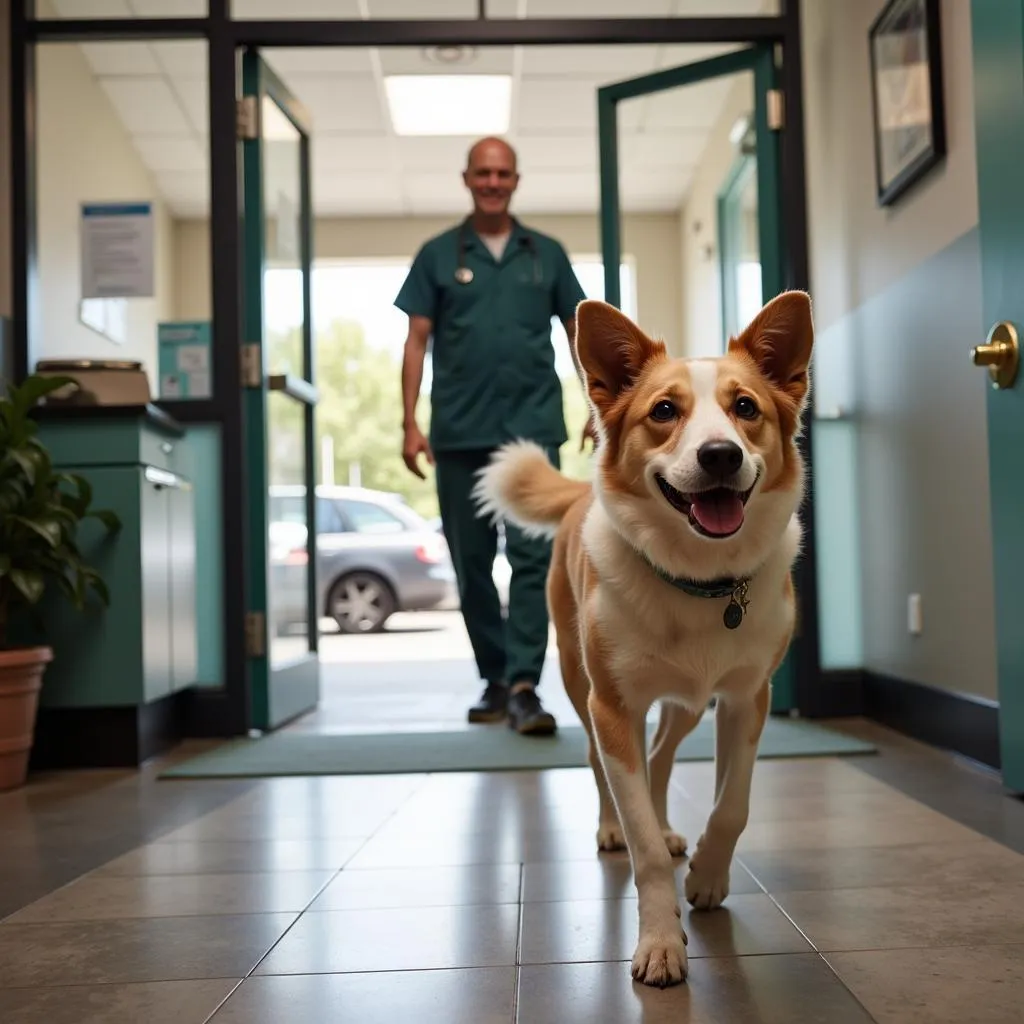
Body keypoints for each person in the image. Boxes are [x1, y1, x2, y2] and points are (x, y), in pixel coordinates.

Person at [395, 136, 593, 736]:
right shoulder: (437, 254)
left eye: (502, 172)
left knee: (536, 560)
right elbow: (416, 341)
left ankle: (527, 686)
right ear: (467, 179)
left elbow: (578, 333)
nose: (492, 181)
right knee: (471, 562)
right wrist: (409, 422)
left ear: (515, 180)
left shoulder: (547, 254)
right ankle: (496, 679)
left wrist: (598, 404)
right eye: (483, 172)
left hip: (533, 432)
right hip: (460, 433)